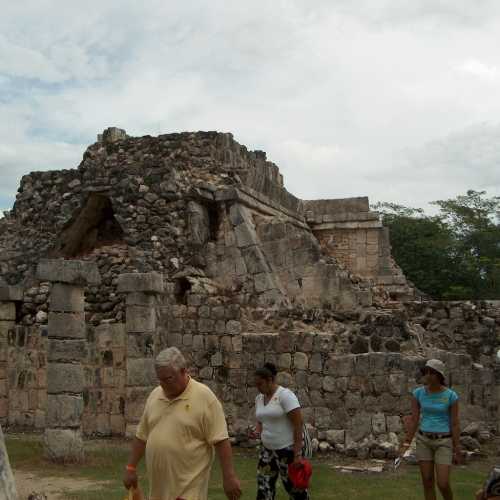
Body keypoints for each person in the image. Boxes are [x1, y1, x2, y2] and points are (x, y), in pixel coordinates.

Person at [123, 347, 242, 500]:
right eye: (160, 380)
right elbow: (141, 436)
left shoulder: (204, 397)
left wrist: (229, 476)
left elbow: (221, 440)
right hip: (159, 492)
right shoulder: (155, 395)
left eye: (169, 379)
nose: (164, 384)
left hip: (188, 491)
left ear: (183, 371)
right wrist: (131, 467)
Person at [400, 359, 461, 500]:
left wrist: (457, 447)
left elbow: (455, 423)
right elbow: (414, 420)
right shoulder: (418, 394)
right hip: (424, 440)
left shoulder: (451, 396)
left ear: (439, 375)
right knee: (427, 481)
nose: (427, 375)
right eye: (426, 372)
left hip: (444, 442)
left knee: (443, 483)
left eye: (431, 372)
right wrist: (406, 442)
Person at [254, 362, 309, 500]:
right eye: (256, 384)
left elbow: (298, 425)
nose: (258, 388)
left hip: (287, 450)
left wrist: (297, 455)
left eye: (260, 384)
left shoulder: (285, 396)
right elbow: (261, 418)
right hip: (267, 450)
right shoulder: (259, 399)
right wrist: (258, 430)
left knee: (294, 488)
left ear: (270, 380)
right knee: (264, 487)